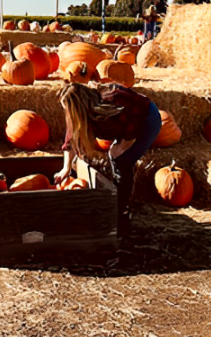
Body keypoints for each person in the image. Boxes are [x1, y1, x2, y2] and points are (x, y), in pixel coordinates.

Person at [55, 82, 162, 239]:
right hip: (124, 125)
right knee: (115, 160)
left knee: (124, 161)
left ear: (80, 105)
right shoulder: (80, 113)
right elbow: (71, 139)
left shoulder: (112, 103)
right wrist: (65, 168)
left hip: (146, 120)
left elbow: (131, 131)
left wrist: (120, 148)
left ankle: (122, 211)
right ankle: (114, 199)